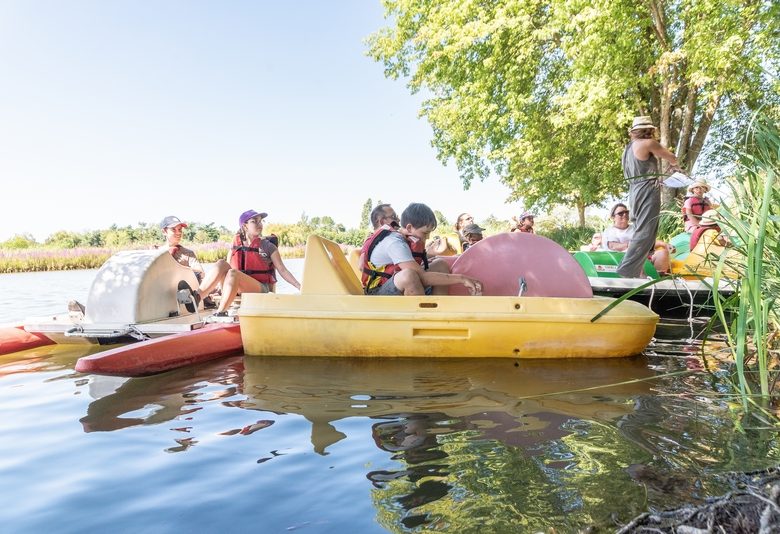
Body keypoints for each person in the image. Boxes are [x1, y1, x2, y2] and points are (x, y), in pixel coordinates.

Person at [360, 202, 482, 296]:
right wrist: (461, 278)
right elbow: (422, 276)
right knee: (409, 275)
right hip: (377, 292)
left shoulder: (406, 237)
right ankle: (422, 319)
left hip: (396, 283)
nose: (428, 237)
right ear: (409, 227)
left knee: (440, 265)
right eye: (425, 233)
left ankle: (438, 309)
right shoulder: (393, 242)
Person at [617, 116, 681, 278]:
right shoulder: (648, 143)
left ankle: (640, 273)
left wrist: (660, 176)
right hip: (647, 191)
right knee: (645, 232)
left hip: (634, 191)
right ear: (649, 130)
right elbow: (672, 158)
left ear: (633, 131)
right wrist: (675, 167)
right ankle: (626, 271)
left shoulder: (628, 149)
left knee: (644, 230)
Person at [214, 210, 301, 316]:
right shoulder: (235, 246)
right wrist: (219, 286)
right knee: (221, 264)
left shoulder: (268, 246)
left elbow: (282, 270)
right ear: (245, 226)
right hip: (238, 287)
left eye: (260, 221)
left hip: (261, 289)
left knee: (233, 273)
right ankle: (198, 296)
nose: (259, 224)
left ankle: (220, 313)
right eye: (254, 221)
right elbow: (226, 268)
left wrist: (299, 286)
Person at [158, 215, 226, 308]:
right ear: (164, 231)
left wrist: (178, 268)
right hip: (163, 294)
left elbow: (200, 272)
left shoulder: (188, 253)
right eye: (173, 229)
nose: (178, 233)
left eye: (180, 230)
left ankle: (204, 298)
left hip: (186, 292)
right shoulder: (157, 253)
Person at [602, 203, 673, 275]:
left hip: (642, 257)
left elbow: (648, 242)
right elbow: (613, 246)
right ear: (613, 217)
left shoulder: (636, 228)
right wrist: (633, 245)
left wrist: (665, 244)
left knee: (663, 253)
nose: (625, 215)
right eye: (620, 213)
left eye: (626, 212)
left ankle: (658, 279)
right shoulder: (609, 231)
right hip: (621, 260)